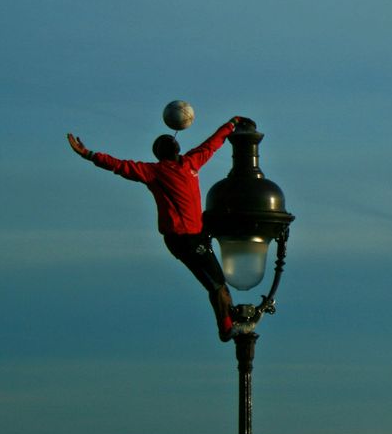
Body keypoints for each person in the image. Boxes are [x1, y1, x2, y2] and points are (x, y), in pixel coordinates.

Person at [66, 116, 253, 342]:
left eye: (170, 141)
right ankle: (226, 329)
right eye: (166, 143)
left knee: (219, 284)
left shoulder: (191, 162)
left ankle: (231, 323)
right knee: (216, 285)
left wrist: (232, 124)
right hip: (182, 239)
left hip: (197, 236)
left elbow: (212, 143)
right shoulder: (154, 171)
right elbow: (119, 166)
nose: (171, 143)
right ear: (163, 152)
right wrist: (89, 154)